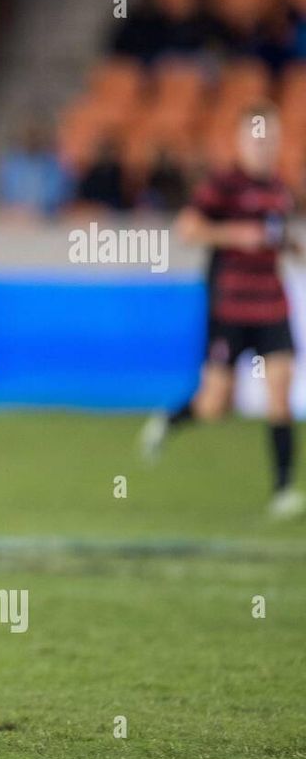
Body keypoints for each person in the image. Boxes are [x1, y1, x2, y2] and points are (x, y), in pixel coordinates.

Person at [139, 105, 304, 519]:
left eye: (270, 139)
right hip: (230, 309)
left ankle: (283, 490)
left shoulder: (281, 190)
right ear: (242, 142)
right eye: (257, 139)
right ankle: (168, 420)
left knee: (279, 395)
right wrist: (233, 233)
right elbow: (188, 228)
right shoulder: (223, 186)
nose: (264, 147)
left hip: (271, 305)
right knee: (215, 405)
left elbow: (278, 239)